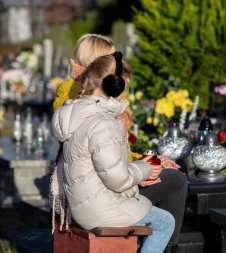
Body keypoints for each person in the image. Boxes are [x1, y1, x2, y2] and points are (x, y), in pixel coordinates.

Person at [52, 34, 187, 251]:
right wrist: (145, 168)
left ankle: (152, 244)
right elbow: (115, 174)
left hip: (87, 190)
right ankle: (163, 246)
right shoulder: (98, 113)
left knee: (172, 180)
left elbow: (107, 153)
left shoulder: (76, 107)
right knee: (169, 206)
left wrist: (146, 162)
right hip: (99, 196)